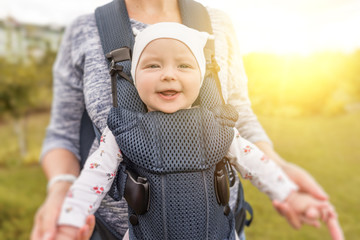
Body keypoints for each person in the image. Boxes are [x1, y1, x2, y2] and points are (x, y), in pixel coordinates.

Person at [30, 0, 343, 239]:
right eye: (153, 67)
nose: (169, 75)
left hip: (219, 226)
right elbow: (91, 178)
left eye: (183, 66)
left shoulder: (217, 125)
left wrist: (286, 188)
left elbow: (254, 157)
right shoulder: (121, 131)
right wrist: (68, 213)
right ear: (132, 76)